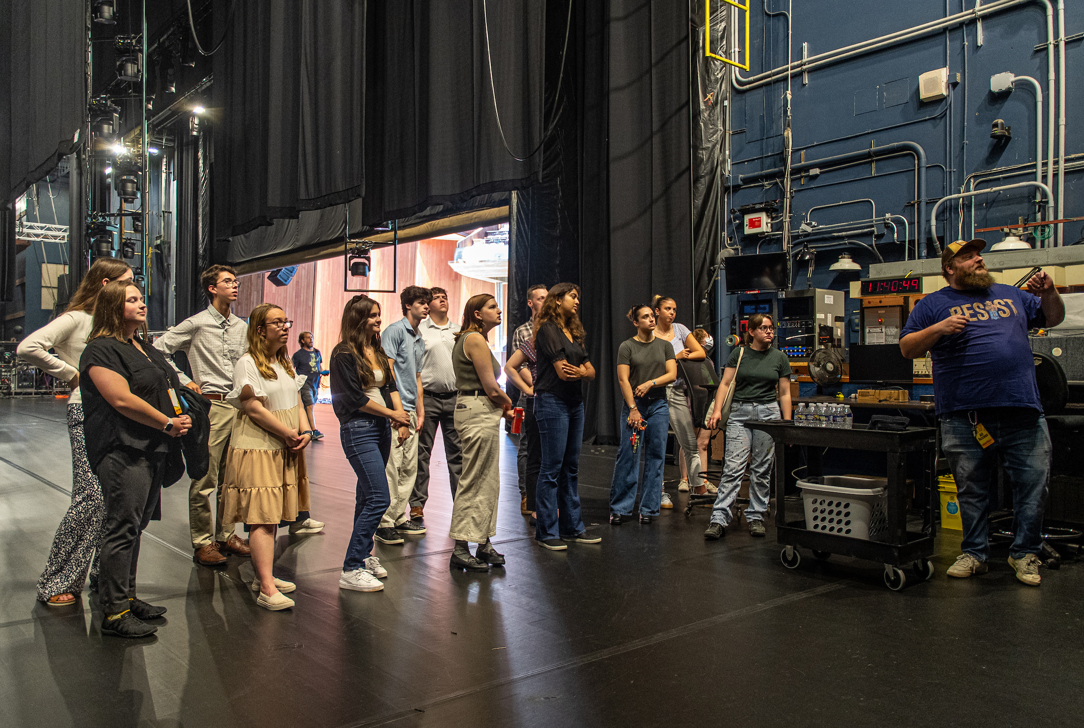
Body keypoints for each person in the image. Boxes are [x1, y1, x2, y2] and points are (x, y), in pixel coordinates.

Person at [900, 239, 1064, 586]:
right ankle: (975, 553)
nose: (979, 259)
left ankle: (1024, 554)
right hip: (965, 416)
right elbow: (906, 347)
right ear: (949, 268)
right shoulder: (933, 305)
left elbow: (1053, 317)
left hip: (1023, 412)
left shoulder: (1011, 294)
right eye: (969, 256)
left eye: (978, 255)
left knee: (1033, 488)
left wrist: (1049, 292)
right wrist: (938, 329)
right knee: (971, 490)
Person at [80, 280, 191, 637]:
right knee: (122, 528)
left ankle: (126, 598)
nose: (142, 304)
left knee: (135, 526)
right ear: (114, 307)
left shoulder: (142, 346)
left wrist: (184, 409)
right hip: (122, 450)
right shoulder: (101, 350)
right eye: (132, 300)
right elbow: (121, 400)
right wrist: (167, 422)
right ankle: (113, 612)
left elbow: (168, 384)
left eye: (141, 298)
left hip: (151, 448)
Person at [19, 259, 133, 607]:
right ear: (104, 284)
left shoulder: (115, 325)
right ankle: (58, 578)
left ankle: (104, 575)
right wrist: (72, 373)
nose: (131, 288)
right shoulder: (77, 319)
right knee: (91, 496)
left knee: (115, 497)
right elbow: (28, 348)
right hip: (86, 409)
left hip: (119, 414)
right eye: (125, 281)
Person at [153, 265, 254, 565]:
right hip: (211, 406)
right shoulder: (196, 323)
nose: (234, 285)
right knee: (204, 478)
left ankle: (226, 535)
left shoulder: (243, 327)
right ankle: (201, 542)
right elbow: (158, 350)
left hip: (239, 406)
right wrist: (184, 381)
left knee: (232, 478)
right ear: (212, 288)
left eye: (235, 281)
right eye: (227, 281)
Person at [220, 304, 312, 610]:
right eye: (278, 322)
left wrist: (306, 430)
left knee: (273, 516)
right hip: (260, 445)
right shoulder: (248, 363)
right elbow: (253, 408)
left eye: (286, 321)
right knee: (262, 517)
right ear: (260, 330)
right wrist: (286, 433)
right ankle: (266, 588)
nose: (286, 327)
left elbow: (296, 400)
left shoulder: (285, 363)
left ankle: (265, 576)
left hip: (284, 444)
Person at [330, 296, 413, 592]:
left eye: (379, 315)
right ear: (358, 319)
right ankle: (351, 566)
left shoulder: (375, 348)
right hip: (358, 428)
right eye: (373, 316)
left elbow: (389, 385)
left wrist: (399, 420)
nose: (379, 320)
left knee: (366, 497)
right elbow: (353, 398)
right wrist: (393, 414)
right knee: (380, 497)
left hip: (380, 428)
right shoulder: (343, 353)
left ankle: (364, 557)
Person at [704, 312, 792, 540]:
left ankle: (756, 517)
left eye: (771, 328)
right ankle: (719, 518)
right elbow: (724, 383)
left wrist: (786, 422)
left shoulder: (780, 358)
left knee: (762, 470)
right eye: (763, 328)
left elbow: (784, 393)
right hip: (740, 412)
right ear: (751, 332)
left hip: (768, 413)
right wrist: (716, 410)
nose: (769, 331)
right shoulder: (739, 353)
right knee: (733, 467)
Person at [448, 294, 515, 571]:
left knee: (487, 480)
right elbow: (491, 387)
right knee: (475, 479)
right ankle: (461, 548)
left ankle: (482, 543)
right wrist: (507, 402)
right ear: (477, 314)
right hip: (477, 407)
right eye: (491, 307)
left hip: (480, 409)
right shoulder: (473, 339)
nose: (498, 311)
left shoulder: (477, 339)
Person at [532, 282, 600, 550]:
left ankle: (572, 528)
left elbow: (591, 371)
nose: (577, 301)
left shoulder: (571, 332)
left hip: (574, 403)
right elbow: (563, 372)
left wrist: (583, 371)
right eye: (573, 296)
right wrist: (583, 372)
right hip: (552, 402)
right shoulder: (548, 329)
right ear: (557, 299)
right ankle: (547, 532)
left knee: (570, 468)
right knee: (552, 468)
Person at [608, 304, 677, 524]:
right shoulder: (627, 347)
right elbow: (623, 380)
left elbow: (672, 374)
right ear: (636, 322)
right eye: (645, 317)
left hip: (658, 404)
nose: (651, 319)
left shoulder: (665, 346)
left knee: (656, 456)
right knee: (629, 454)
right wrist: (633, 409)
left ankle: (649, 509)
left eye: (651, 316)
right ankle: (620, 508)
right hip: (635, 404)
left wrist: (650, 382)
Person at [375, 286, 430, 544]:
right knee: (393, 466)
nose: (426, 306)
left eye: (426, 302)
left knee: (409, 467)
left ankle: (398, 517)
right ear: (408, 305)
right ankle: (384, 522)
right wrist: (396, 412)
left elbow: (417, 377)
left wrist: (420, 410)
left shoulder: (418, 336)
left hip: (410, 408)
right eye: (421, 302)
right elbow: (386, 370)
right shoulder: (395, 331)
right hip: (396, 408)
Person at [412, 286, 463, 521]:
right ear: (427, 304)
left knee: (458, 454)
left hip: (454, 398)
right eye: (436, 298)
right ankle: (417, 504)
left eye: (445, 297)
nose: (442, 300)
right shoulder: (420, 330)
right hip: (428, 398)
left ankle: (461, 503)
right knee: (422, 454)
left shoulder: (458, 330)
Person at [653, 295, 708, 507]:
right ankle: (659, 491)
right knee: (657, 445)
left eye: (674, 309)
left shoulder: (681, 329)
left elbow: (700, 352)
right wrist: (676, 356)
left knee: (690, 443)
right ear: (657, 311)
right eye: (667, 308)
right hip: (657, 391)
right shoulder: (651, 332)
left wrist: (683, 356)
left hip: (676, 390)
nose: (672, 313)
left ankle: (699, 488)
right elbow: (650, 362)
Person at [509, 284, 547, 515]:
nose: (545, 301)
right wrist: (535, 386)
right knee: (526, 447)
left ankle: (544, 494)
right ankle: (526, 494)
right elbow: (519, 365)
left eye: (547, 297)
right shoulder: (523, 331)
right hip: (530, 395)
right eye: (540, 298)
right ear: (531, 303)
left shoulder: (556, 328)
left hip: (551, 395)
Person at [292, 331, 329, 442]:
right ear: (302, 341)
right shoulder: (298, 355)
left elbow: (319, 365)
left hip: (315, 383)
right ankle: (314, 430)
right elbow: (291, 368)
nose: (311, 339)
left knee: (309, 406)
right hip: (305, 383)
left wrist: (323, 371)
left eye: (311, 337)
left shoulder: (317, 352)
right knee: (309, 406)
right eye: (308, 338)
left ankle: (303, 428)